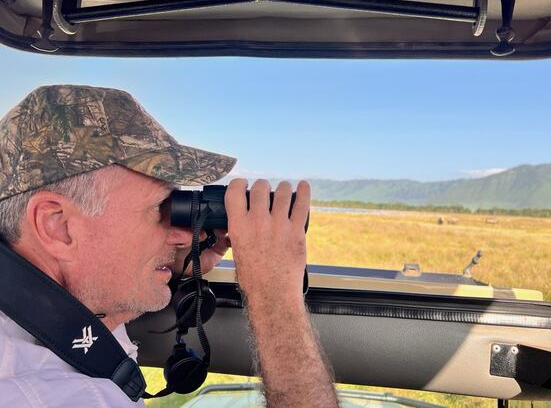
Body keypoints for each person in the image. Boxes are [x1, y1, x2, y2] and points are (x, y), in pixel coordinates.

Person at [0, 85, 339, 407]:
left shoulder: (42, 316)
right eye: (159, 210)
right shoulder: (58, 397)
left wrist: (166, 265)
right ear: (57, 226)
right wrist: (274, 296)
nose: (181, 235)